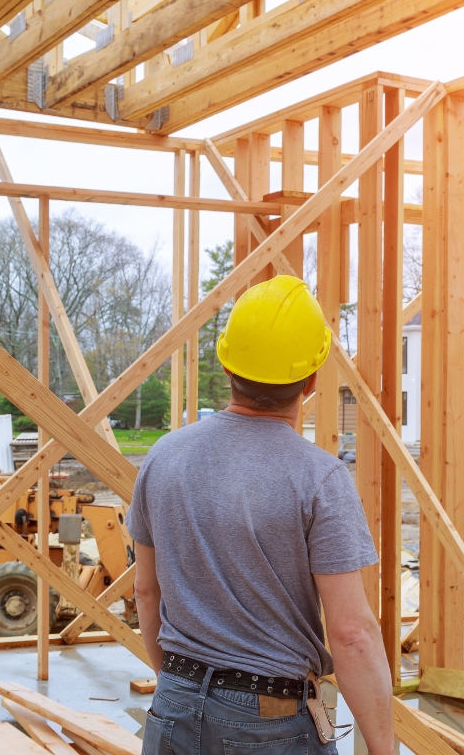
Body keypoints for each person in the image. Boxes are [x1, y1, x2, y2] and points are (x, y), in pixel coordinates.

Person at [127, 274, 396, 755]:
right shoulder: (319, 478)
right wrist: (383, 749)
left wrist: (179, 689)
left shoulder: (163, 457)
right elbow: (352, 633)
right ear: (311, 380)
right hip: (270, 722)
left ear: (227, 366)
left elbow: (147, 592)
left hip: (173, 702)